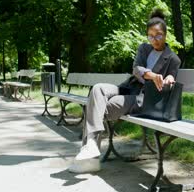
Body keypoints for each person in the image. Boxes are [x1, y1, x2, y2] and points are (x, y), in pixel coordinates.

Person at [68, 9, 181, 173]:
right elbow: (136, 69)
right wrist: (151, 74)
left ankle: (90, 158)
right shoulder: (144, 49)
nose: (154, 40)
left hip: (143, 99)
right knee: (97, 89)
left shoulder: (173, 58)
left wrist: (169, 79)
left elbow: (172, 76)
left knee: (95, 106)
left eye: (158, 35)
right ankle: (91, 146)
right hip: (127, 88)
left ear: (166, 34)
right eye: (150, 36)